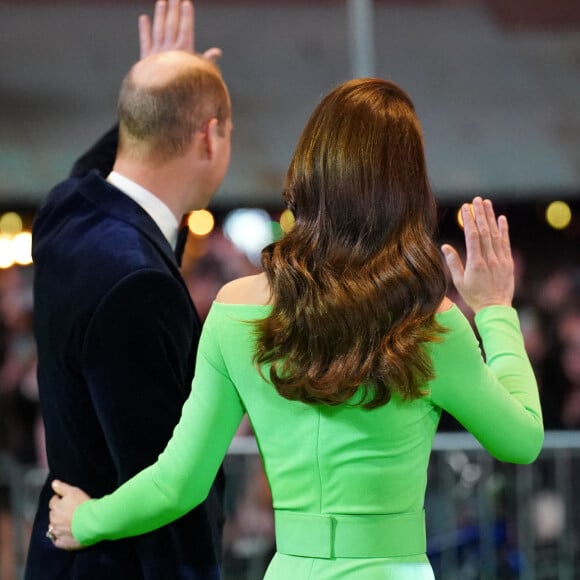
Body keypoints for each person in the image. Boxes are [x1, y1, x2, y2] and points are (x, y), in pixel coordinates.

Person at [47, 78, 543, 580]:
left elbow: (180, 484)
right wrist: (495, 309)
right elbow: (522, 440)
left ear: (310, 170)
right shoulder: (430, 323)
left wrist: (86, 519)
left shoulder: (235, 311)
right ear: (408, 188)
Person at [25, 2, 232, 579]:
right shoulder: (137, 283)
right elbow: (163, 483)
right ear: (210, 137)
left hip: (59, 556)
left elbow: (90, 170)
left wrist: (152, 95)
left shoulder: (64, 211)